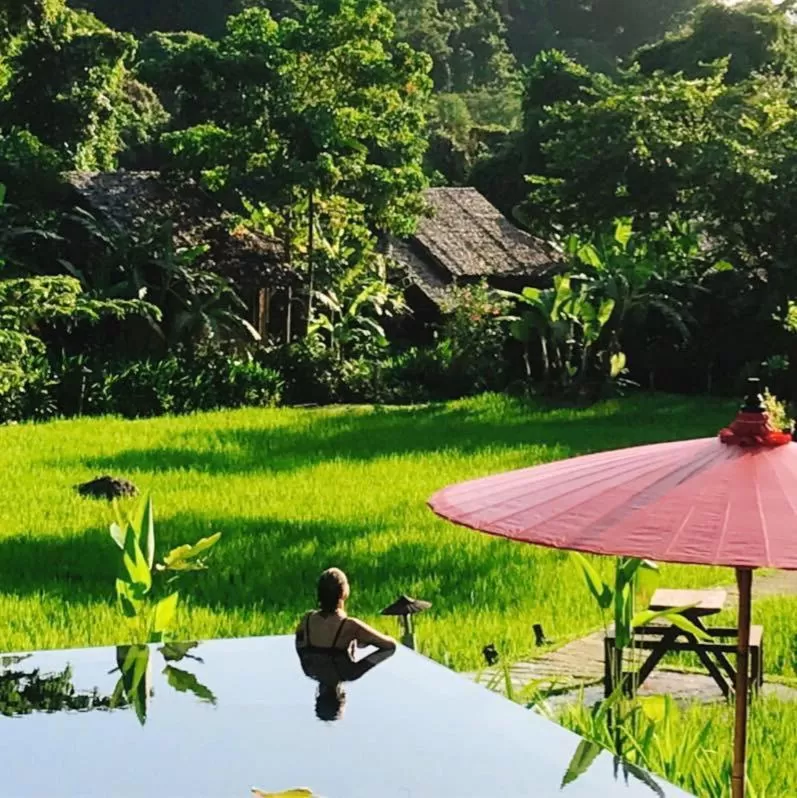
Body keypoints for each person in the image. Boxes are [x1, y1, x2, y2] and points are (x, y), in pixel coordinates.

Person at [295, 567, 397, 655]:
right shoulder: (350, 626)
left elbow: (300, 644)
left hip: (313, 673)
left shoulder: (307, 619)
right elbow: (390, 645)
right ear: (344, 592)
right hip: (339, 674)